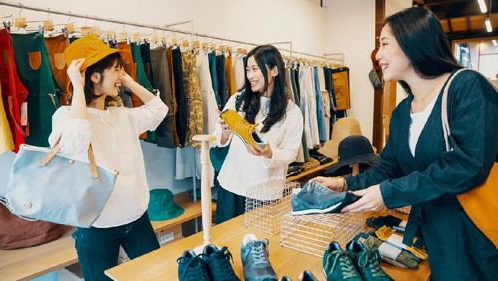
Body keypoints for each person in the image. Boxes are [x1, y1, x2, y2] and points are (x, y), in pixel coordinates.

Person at [313, 7, 498, 281]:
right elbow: (387, 169)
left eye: (384, 44)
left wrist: (388, 193)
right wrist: (344, 184)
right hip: (435, 233)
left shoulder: (466, 87)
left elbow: (468, 164)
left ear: (413, 41)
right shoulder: (402, 113)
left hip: (475, 231)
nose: (377, 55)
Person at [49, 36, 167, 281]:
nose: (120, 75)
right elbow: (76, 142)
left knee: (157, 274)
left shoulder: (120, 115)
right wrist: (76, 85)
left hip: (136, 217)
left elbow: (159, 110)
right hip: (96, 225)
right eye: (115, 70)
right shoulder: (65, 117)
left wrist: (127, 81)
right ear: (93, 76)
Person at [213, 45, 303, 223]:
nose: (250, 76)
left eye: (255, 69)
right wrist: (224, 132)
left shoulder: (292, 112)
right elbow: (219, 140)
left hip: (264, 192)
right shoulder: (238, 100)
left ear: (274, 70)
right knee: (226, 243)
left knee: (257, 244)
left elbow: (291, 152)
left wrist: (270, 153)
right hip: (231, 186)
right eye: (247, 70)